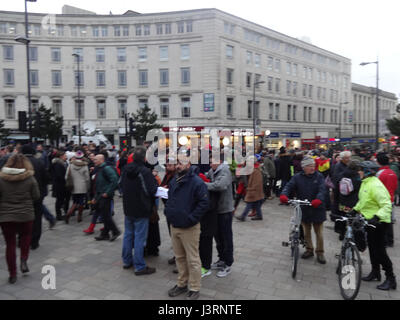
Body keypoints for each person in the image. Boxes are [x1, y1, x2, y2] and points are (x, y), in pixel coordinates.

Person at [165, 158, 209, 300]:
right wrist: (168, 212)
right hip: (175, 225)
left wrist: (191, 219)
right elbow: (170, 198)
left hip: (189, 227)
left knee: (193, 259)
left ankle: (194, 287)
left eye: (181, 163)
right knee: (179, 258)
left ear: (188, 164)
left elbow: (204, 203)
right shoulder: (174, 180)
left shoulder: (196, 182)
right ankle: (182, 283)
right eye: (176, 164)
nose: (178, 166)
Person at [354, 161, 397, 291]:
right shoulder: (366, 183)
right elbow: (364, 202)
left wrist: (376, 217)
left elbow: (387, 204)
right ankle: (375, 272)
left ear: (367, 172)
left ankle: (391, 278)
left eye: (360, 170)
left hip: (379, 222)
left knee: (380, 251)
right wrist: (354, 210)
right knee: (372, 249)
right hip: (369, 221)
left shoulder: (376, 185)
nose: (358, 172)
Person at [0, 154, 40, 284]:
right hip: (26, 214)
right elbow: (36, 196)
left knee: (10, 244)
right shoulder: (30, 178)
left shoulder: (1, 178)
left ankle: (12, 274)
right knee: (26, 237)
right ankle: (24, 259)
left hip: (6, 215)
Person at [280, 156, 327, 264]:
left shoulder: (319, 176)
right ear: (304, 167)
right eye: (310, 166)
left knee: (319, 232)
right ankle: (309, 249)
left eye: (313, 165)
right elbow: (289, 186)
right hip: (304, 207)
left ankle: (320, 252)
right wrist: (284, 195)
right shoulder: (297, 177)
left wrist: (319, 199)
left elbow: (322, 189)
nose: (312, 168)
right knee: (306, 232)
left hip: (317, 208)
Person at [121, 146, 158, 275]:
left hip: (128, 207)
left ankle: (126, 261)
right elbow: (151, 190)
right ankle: (139, 266)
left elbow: (121, 186)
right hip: (141, 208)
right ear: (144, 158)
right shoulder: (145, 172)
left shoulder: (125, 169)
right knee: (139, 238)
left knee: (128, 235)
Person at [204, 153, 234, 278]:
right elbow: (205, 176)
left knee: (226, 238)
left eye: (213, 162)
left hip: (225, 210)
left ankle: (228, 264)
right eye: (210, 162)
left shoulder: (225, 171)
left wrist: (203, 184)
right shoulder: (212, 170)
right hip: (216, 209)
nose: (211, 164)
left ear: (220, 161)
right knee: (218, 237)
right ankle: (221, 259)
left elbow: (220, 186)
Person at [21, 144, 49, 250]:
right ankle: (34, 241)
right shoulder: (39, 162)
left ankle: (22, 239)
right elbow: (46, 178)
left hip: (23, 195)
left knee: (23, 217)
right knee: (37, 218)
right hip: (38, 194)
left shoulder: (19, 163)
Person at [92, 154, 121, 241]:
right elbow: (99, 184)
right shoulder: (100, 169)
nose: (94, 161)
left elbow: (115, 180)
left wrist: (107, 192)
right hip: (100, 195)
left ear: (101, 160)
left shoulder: (106, 169)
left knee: (106, 216)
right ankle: (104, 234)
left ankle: (115, 231)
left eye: (96, 159)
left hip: (105, 196)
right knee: (104, 216)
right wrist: (95, 198)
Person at [376, 153, 398, 248]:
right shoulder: (392, 172)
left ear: (378, 162)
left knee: (382, 220)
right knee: (389, 221)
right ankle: (390, 240)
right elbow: (395, 186)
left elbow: (376, 187)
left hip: (382, 200)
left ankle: (383, 241)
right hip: (391, 199)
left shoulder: (379, 173)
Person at [64, 151, 90, 224]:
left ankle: (68, 213)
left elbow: (66, 176)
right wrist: (88, 186)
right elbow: (87, 178)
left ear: (75, 157)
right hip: (82, 186)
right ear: (82, 158)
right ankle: (79, 216)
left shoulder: (71, 165)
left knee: (75, 201)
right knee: (81, 201)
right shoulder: (85, 165)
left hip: (73, 186)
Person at [237, 156, 265, 221]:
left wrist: (251, 189)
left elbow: (257, 182)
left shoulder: (255, 170)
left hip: (254, 190)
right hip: (255, 190)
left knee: (249, 203)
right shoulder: (254, 169)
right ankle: (259, 216)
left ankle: (243, 216)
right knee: (256, 204)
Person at [51, 151, 68, 221]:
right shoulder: (58, 164)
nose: (66, 157)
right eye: (65, 156)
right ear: (61, 157)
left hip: (60, 185)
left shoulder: (61, 163)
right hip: (59, 186)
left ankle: (60, 214)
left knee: (60, 200)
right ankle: (58, 215)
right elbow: (59, 176)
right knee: (59, 200)